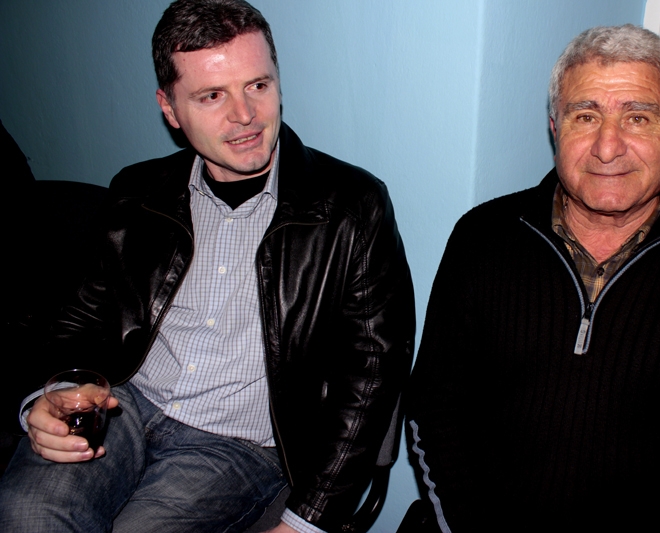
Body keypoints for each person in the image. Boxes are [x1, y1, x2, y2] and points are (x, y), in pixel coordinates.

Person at [0, 1, 414, 532]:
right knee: (27, 512)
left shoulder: (352, 207)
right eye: (212, 95)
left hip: (237, 446)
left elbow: (373, 372)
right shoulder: (138, 191)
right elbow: (80, 318)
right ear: (170, 108)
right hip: (123, 402)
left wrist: (306, 520)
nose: (244, 115)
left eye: (258, 85)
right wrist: (49, 396)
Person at [407, 24, 660, 532]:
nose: (608, 148)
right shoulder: (482, 237)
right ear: (555, 129)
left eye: (638, 117)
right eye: (585, 116)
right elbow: (435, 407)